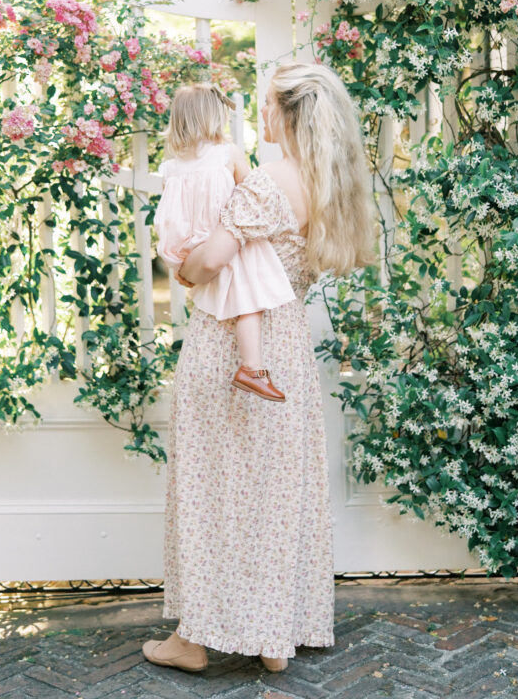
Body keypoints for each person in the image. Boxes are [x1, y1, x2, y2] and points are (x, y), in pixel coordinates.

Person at [142, 61, 376, 675]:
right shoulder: (328, 183)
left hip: (229, 345)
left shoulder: (268, 182)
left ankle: (194, 639)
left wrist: (179, 260)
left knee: (211, 487)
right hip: (287, 346)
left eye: (268, 103)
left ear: (289, 112)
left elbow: (205, 263)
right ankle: (275, 637)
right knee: (275, 491)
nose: (261, 114)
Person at [154, 81, 295, 401]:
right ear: (213, 118)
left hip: (192, 247)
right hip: (224, 238)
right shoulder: (226, 154)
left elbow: (172, 215)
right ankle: (252, 367)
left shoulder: (171, 168)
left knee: (222, 300)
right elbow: (252, 192)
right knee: (251, 302)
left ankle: (249, 367)